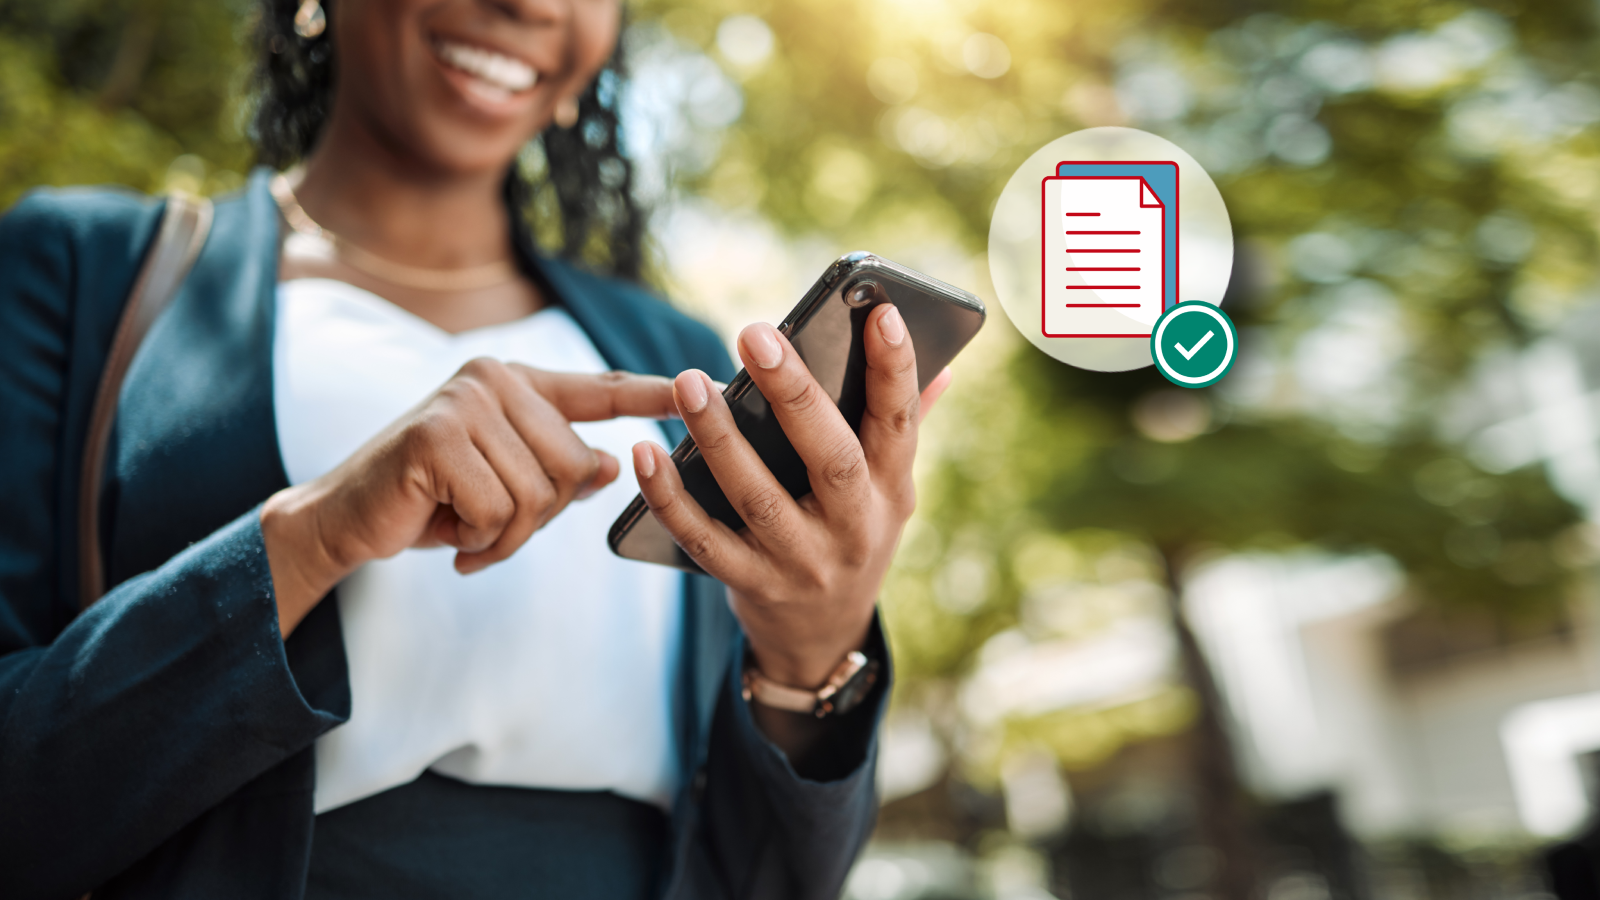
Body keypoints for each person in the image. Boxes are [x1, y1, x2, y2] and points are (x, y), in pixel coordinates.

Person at [0, 0, 953, 897]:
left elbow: (779, 879)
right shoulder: (85, 274)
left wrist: (814, 652)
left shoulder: (679, 362)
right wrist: (311, 537)